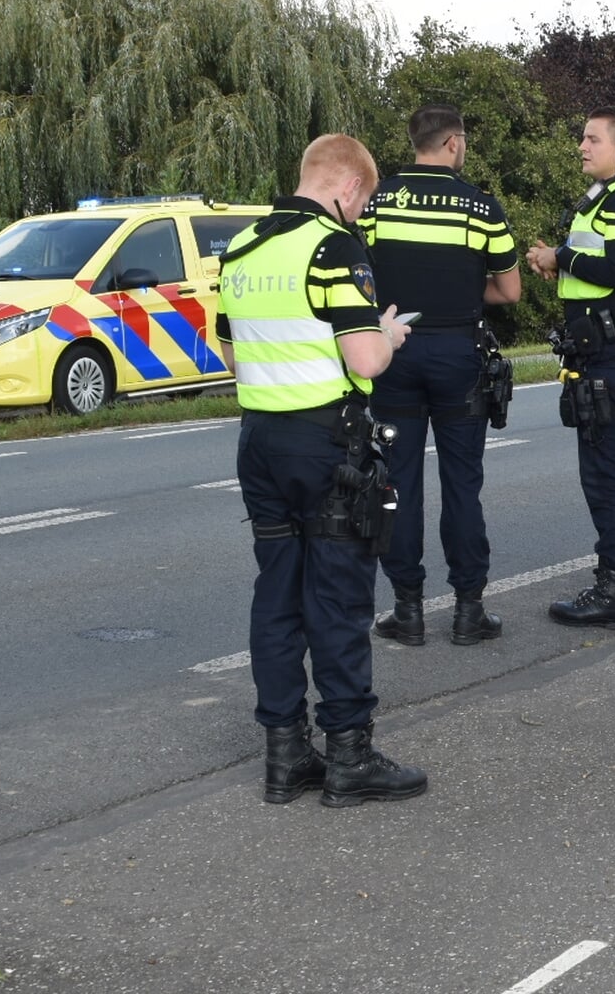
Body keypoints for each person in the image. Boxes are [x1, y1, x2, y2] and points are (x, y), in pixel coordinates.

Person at [215, 134, 429, 809]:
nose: (359, 218)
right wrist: (388, 337)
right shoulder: (333, 246)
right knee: (336, 596)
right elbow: (365, 361)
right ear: (348, 189)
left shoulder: (242, 247)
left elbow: (231, 350)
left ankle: (286, 756)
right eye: (361, 206)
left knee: (277, 594)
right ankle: (349, 755)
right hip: (327, 444)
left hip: (259, 441)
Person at [358, 105, 522, 651]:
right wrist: (456, 293)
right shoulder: (481, 207)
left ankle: (407, 610)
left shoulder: (378, 201)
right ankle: (468, 612)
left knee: (396, 483)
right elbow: (510, 291)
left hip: (394, 350)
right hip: (458, 353)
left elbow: (360, 280)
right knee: (462, 485)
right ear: (454, 143)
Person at [525, 106, 615, 628]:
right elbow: (590, 265)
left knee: (607, 475)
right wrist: (555, 261)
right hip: (602, 346)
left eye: (591, 139)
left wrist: (561, 257)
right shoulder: (599, 201)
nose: (582, 146)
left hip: (614, 349)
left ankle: (613, 590)